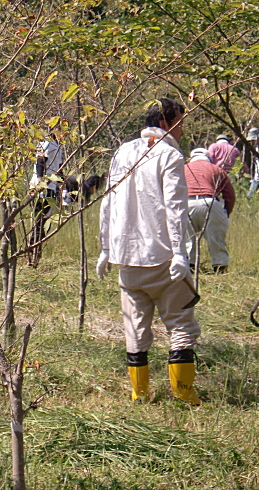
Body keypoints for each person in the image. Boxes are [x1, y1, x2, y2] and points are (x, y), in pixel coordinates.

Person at [97, 98, 201, 405]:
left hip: (126, 257)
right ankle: (184, 394)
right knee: (182, 324)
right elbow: (174, 206)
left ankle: (139, 394)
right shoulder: (169, 154)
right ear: (167, 122)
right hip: (163, 257)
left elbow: (108, 200)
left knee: (135, 326)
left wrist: (106, 247)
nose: (182, 130)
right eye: (181, 123)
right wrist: (180, 252)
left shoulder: (123, 151)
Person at [184, 148, 235, 273]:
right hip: (210, 202)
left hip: (187, 203)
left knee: (188, 240)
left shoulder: (183, 168)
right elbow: (230, 195)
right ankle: (220, 268)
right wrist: (225, 213)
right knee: (216, 239)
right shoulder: (217, 169)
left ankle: (190, 269)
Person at [27, 123, 64, 268]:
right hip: (41, 188)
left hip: (52, 187)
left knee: (44, 222)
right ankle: (32, 255)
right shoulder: (45, 144)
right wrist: (41, 184)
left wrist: (62, 184)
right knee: (38, 222)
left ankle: (36, 255)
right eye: (61, 129)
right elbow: (40, 162)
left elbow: (59, 168)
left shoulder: (58, 146)